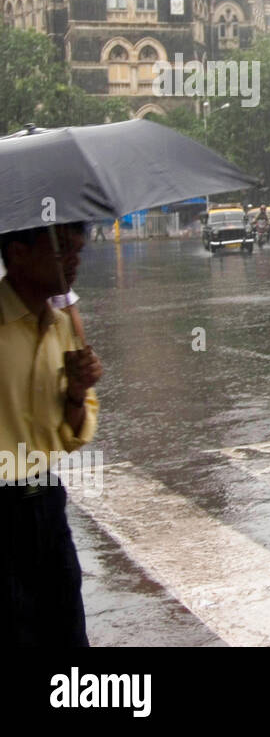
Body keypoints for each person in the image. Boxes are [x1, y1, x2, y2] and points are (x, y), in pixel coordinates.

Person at [1, 222, 102, 646]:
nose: (74, 259)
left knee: (66, 631)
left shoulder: (62, 326)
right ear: (18, 252)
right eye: (61, 250)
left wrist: (77, 394)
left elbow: (74, 434)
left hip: (45, 500)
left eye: (78, 248)